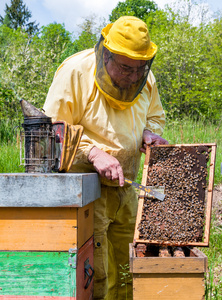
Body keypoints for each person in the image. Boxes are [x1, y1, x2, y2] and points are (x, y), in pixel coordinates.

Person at [43, 16, 168, 300]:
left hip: (128, 188)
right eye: (126, 68)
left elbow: (155, 116)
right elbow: (54, 127)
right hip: (87, 190)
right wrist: (92, 152)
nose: (133, 77)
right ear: (106, 54)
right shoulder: (76, 71)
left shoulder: (145, 79)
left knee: (129, 268)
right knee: (97, 275)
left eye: (139, 69)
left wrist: (149, 133)